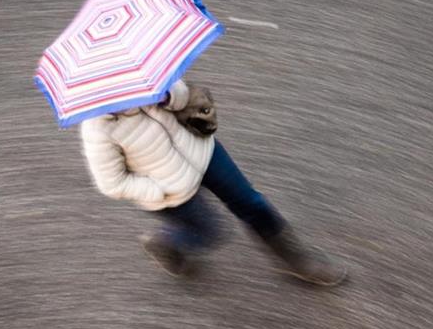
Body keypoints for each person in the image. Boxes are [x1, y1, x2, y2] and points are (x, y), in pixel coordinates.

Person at [80, 79, 347, 286]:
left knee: (251, 202)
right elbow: (111, 183)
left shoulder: (146, 79)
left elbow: (182, 94)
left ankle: (295, 258)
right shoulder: (98, 130)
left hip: (203, 153)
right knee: (210, 233)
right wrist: (158, 190)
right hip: (171, 193)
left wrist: (168, 95)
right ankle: (168, 244)